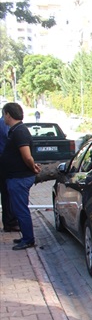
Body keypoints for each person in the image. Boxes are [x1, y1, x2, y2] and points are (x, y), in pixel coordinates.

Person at [0, 103, 41, 250]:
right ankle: (25, 236)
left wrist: (32, 167)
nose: (3, 117)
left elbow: (27, 156)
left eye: (4, 114)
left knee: (21, 210)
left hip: (20, 178)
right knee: (18, 209)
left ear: (8, 115)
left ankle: (28, 239)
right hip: (14, 177)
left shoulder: (20, 132)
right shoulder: (15, 130)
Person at [0, 114, 20, 232]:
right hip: (5, 164)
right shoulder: (5, 125)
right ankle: (10, 222)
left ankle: (9, 222)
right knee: (8, 193)